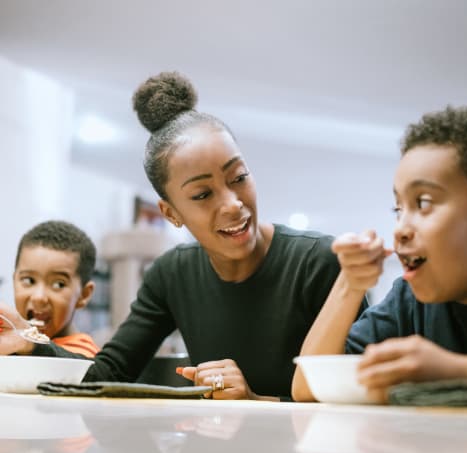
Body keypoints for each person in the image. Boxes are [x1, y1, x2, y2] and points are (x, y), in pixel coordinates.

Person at [0, 71, 366, 400]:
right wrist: (31, 345)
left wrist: (256, 401)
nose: (233, 205)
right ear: (171, 212)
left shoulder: (319, 262)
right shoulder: (171, 275)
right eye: (203, 195)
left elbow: (360, 395)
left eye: (239, 177)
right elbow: (107, 373)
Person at [292, 105, 467, 402]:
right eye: (398, 209)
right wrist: (351, 283)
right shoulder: (408, 299)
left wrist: (459, 373)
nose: (400, 228)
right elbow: (307, 388)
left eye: (424, 203)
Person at [5, 220, 99, 357]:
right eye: (29, 280)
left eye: (58, 284)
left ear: (83, 295)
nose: (38, 297)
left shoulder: (84, 357)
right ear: (14, 282)